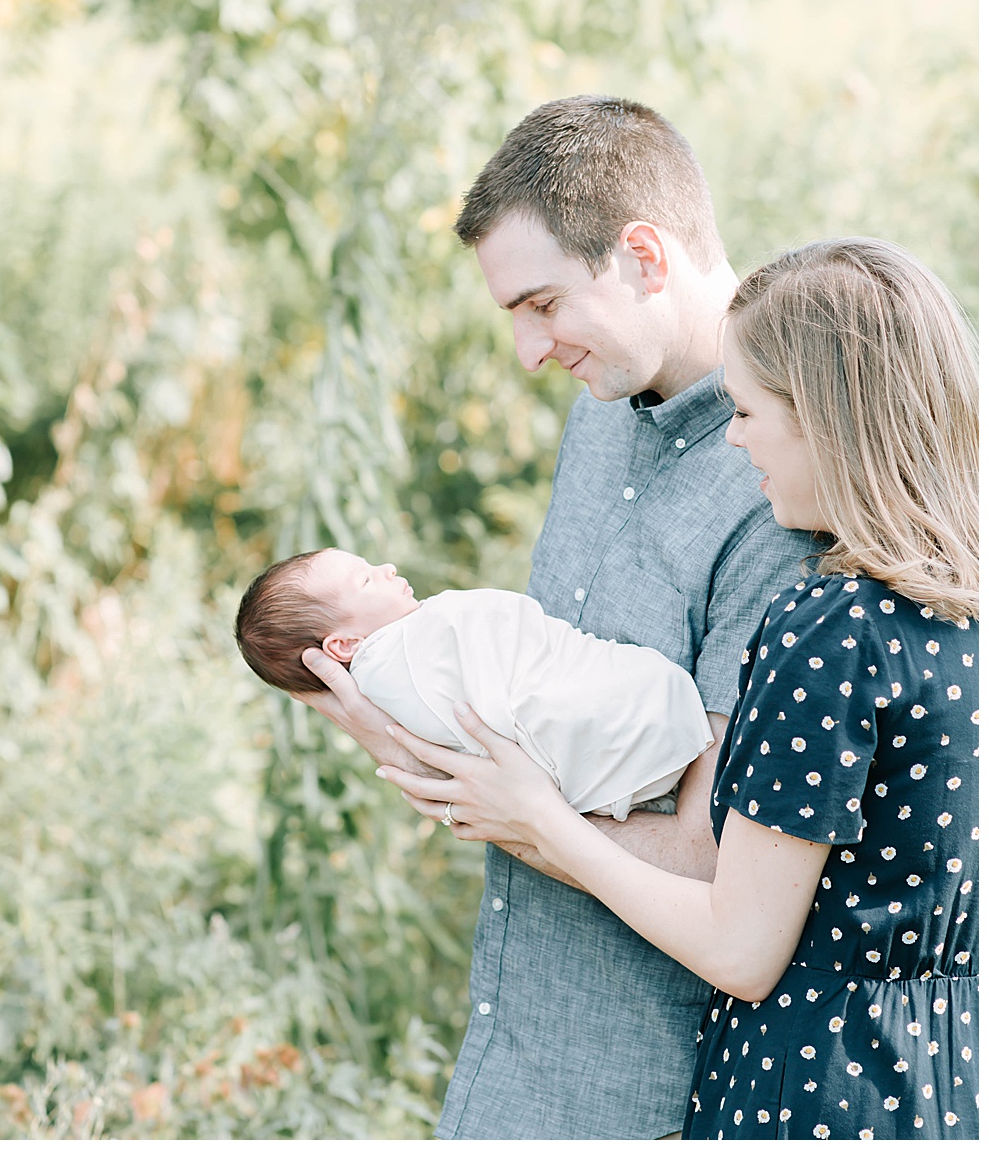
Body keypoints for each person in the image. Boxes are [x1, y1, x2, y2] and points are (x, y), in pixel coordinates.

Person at [291, 97, 814, 1137]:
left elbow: (710, 856)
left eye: (541, 305)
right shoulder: (598, 412)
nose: (528, 353)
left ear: (642, 257)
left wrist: (493, 797)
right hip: (506, 1059)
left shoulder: (775, 491)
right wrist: (427, 747)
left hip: (639, 1094)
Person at [381, 238, 978, 1139]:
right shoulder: (958, 616)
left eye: (746, 411)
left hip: (804, 1092)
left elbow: (740, 947)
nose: (735, 439)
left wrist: (542, 819)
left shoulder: (828, 628)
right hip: (938, 1078)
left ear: (825, 416)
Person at [234, 548, 712, 820]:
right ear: (342, 646)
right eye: (365, 581)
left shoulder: (412, 651)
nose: (388, 570)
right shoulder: (398, 663)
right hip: (632, 724)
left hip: (618, 769)